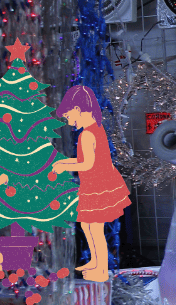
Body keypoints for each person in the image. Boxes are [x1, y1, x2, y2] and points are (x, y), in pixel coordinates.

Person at [52, 85, 131, 283]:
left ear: (78, 110)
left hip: (98, 186)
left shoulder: (87, 134)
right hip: (98, 183)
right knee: (88, 225)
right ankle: (96, 262)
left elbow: (87, 163)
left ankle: (101, 269)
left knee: (94, 228)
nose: (69, 121)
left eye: (69, 115)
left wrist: (63, 164)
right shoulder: (96, 128)